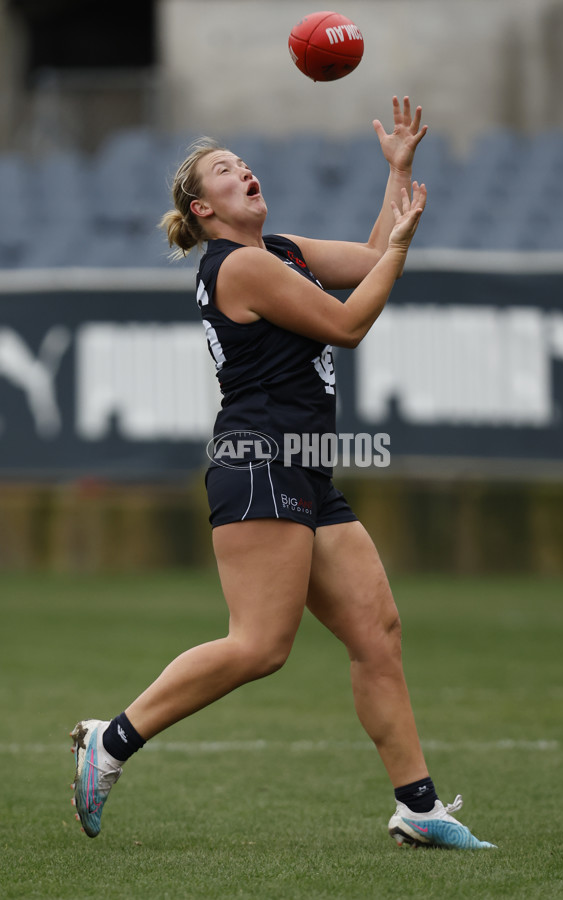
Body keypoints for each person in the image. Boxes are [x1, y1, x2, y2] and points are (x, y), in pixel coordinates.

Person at [70, 97, 495, 851]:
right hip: (259, 462)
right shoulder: (239, 267)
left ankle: (418, 806)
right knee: (261, 645)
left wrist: (398, 175)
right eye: (226, 171)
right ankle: (112, 741)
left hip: (305, 469)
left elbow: (366, 263)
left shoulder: (282, 251)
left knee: (377, 632)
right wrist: (401, 247)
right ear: (203, 209)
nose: (245, 171)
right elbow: (349, 323)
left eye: (244, 161)